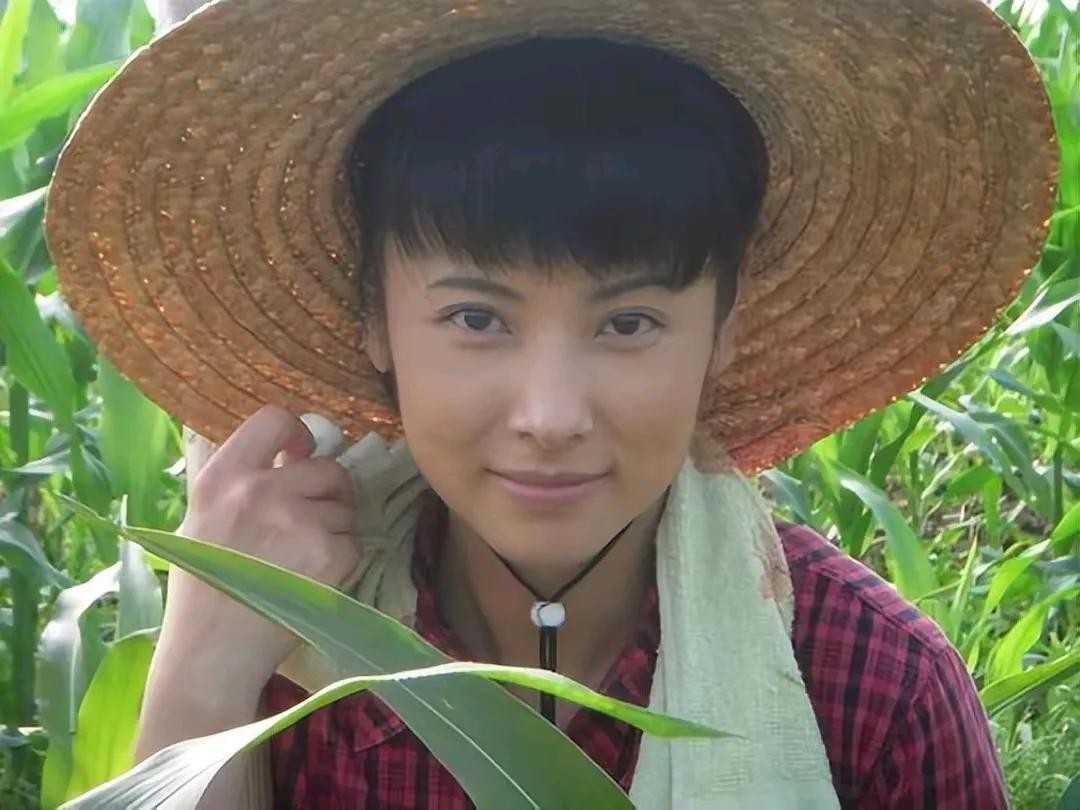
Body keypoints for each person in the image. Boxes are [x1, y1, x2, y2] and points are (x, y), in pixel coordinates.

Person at [42, 1, 1056, 807]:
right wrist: (204, 670)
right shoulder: (289, 663)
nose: (550, 415)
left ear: (724, 326)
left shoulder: (872, 689)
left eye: (628, 323)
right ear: (374, 320)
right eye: (477, 317)